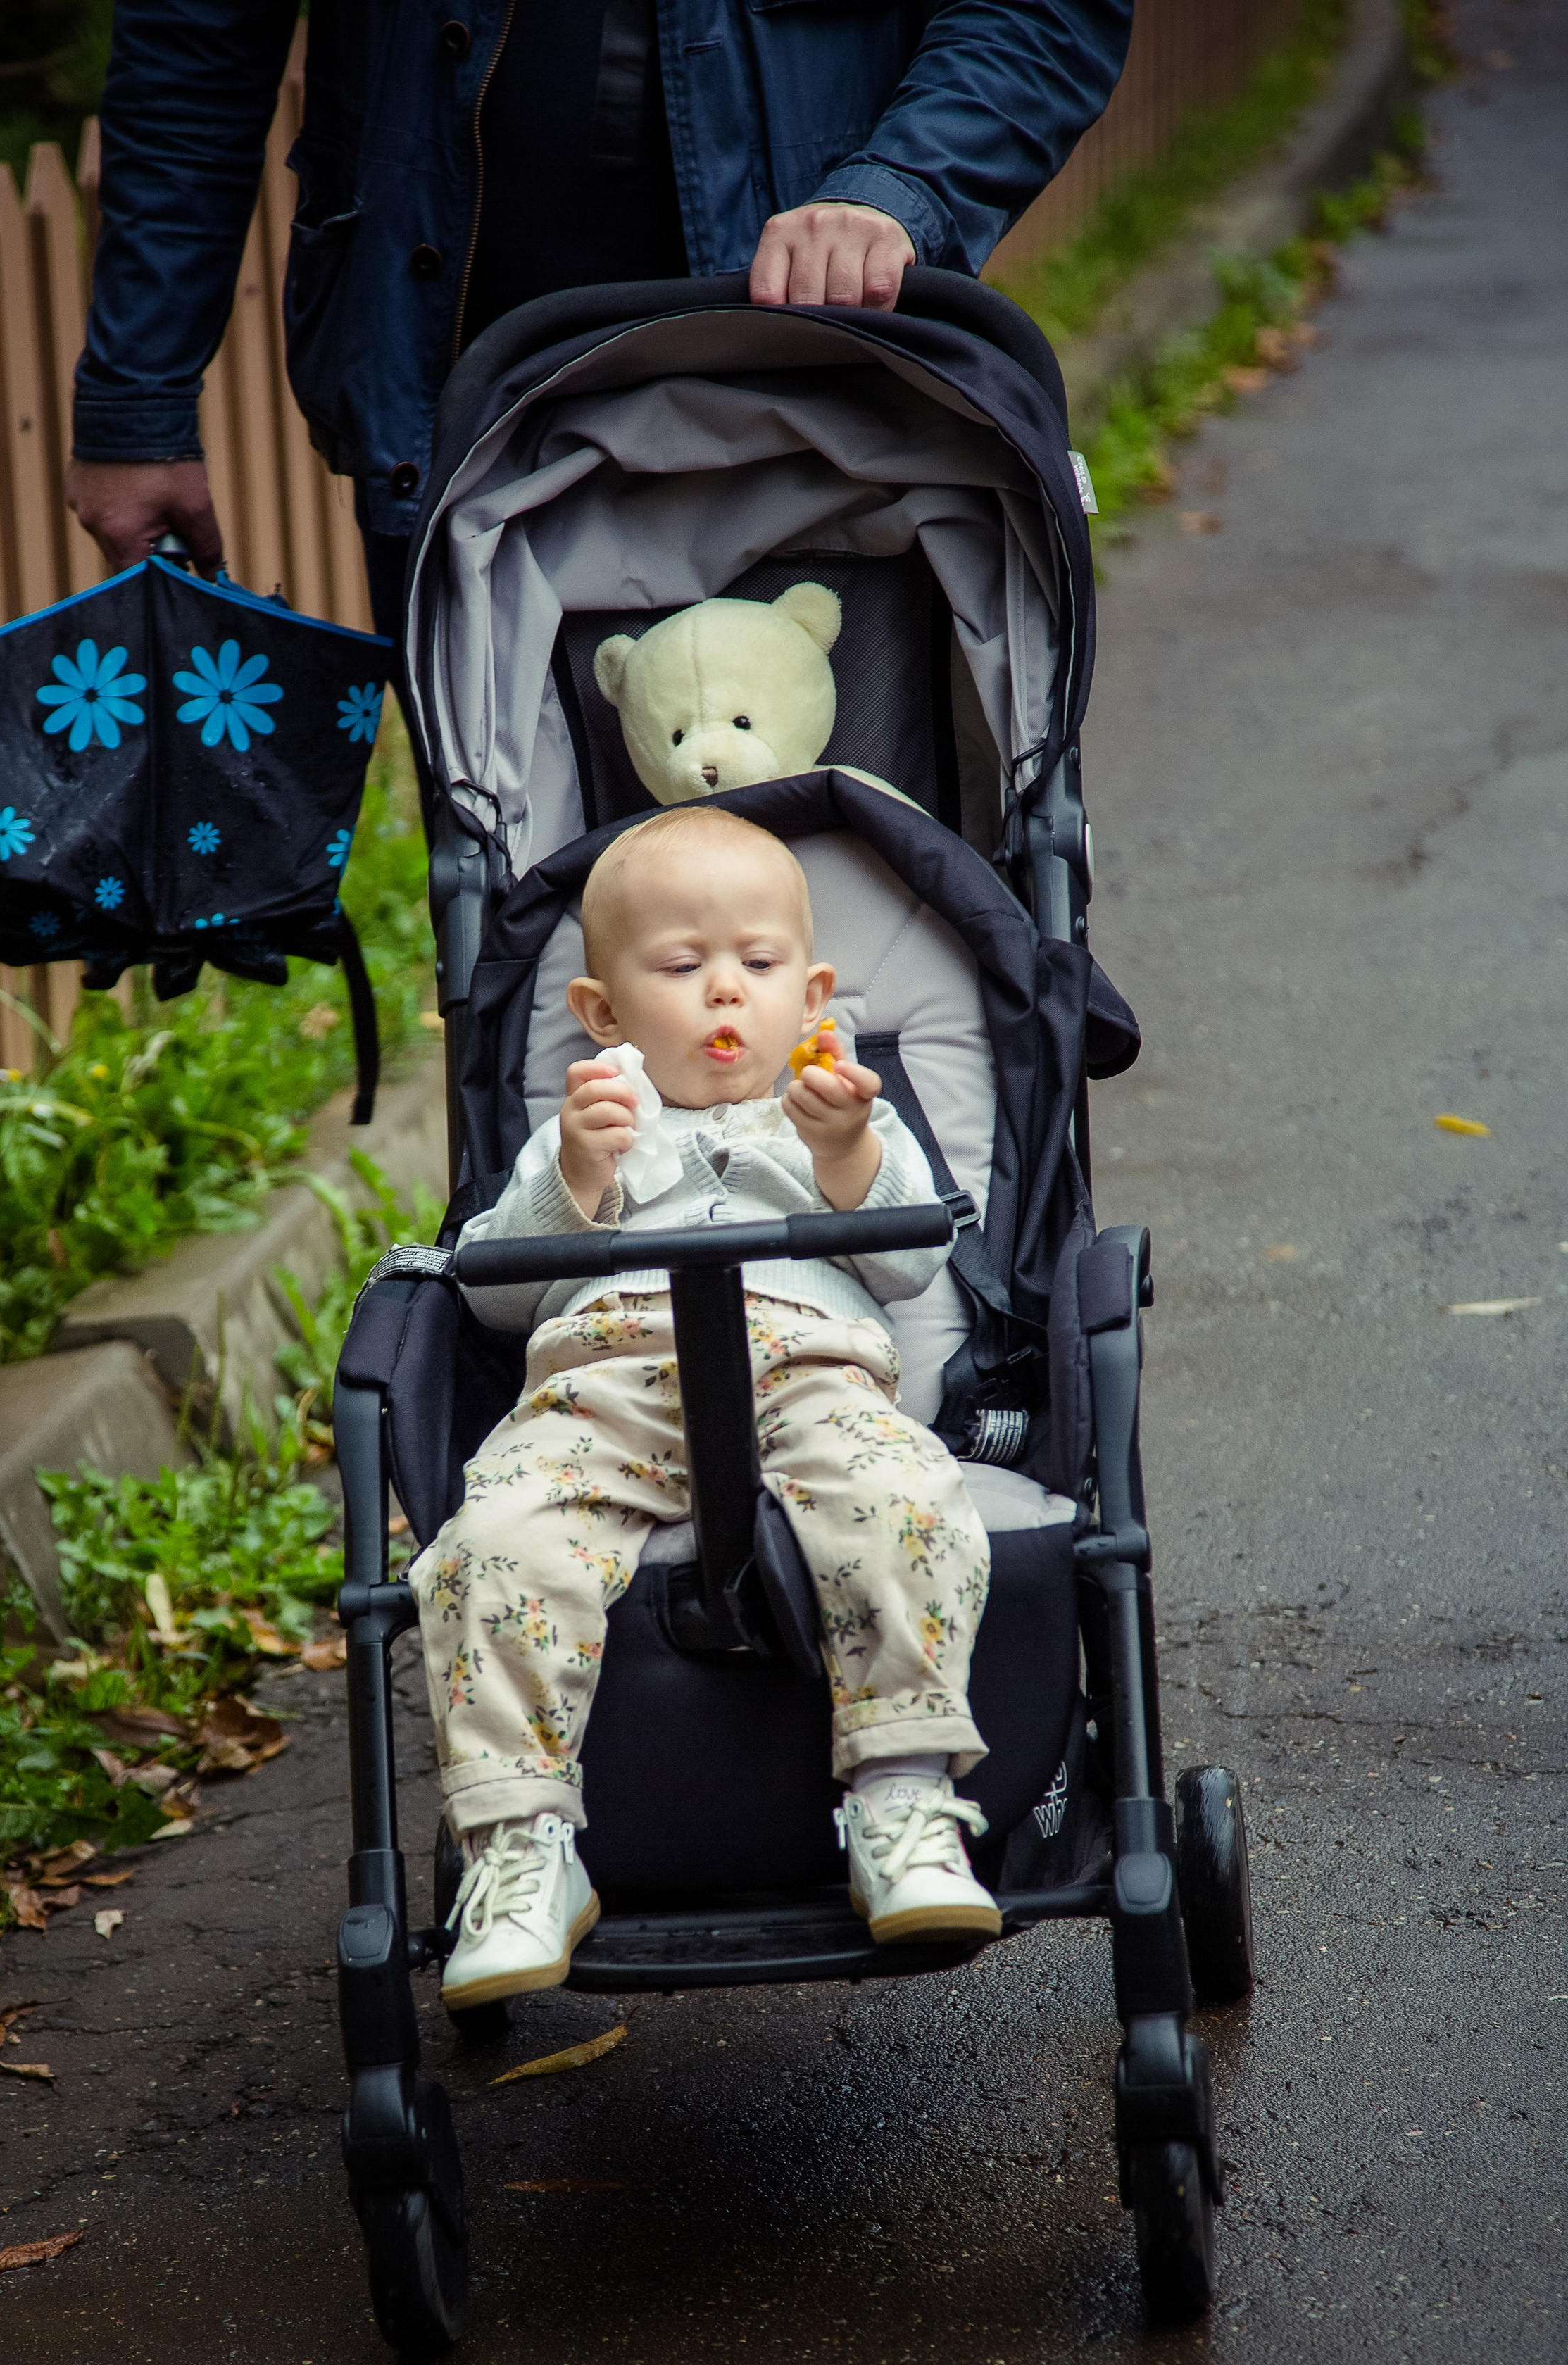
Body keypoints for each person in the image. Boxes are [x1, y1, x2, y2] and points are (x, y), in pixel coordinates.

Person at [411, 802, 994, 2009]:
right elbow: (494, 1294)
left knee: (904, 1497)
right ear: (603, 1012)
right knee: (492, 1546)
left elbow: (913, 1262)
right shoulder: (584, 1128)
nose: (726, 991)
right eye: (681, 969)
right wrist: (576, 1176)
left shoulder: (838, 1114)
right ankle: (522, 1847)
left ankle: (901, 1794)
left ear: (814, 996)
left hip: (806, 1373)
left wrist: (846, 1156)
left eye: (760, 965)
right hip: (604, 1388)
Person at [65, 0, 1134, 638]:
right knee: (510, 878)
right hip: (457, 418)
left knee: (840, 860)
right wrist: (136, 403)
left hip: (821, 401)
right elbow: (192, 49)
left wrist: (900, 187)